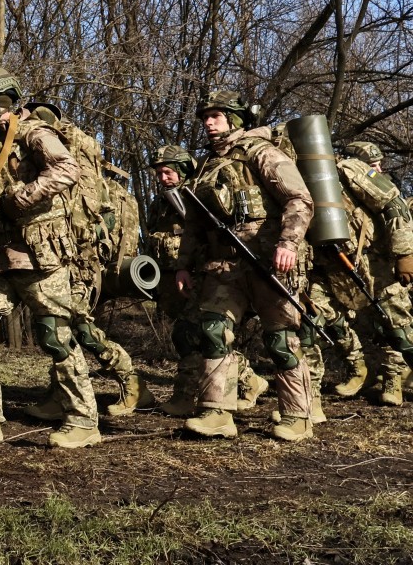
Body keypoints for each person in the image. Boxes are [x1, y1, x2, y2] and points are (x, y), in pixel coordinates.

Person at [0, 67, 101, 449]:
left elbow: (67, 169)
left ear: (3, 103)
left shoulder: (34, 133)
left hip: (39, 254)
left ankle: (84, 421)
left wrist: (22, 198)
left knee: (55, 335)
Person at [175, 90, 315, 441]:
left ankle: (298, 416)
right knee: (213, 329)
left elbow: (299, 199)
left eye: (216, 115)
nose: (208, 122)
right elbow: (193, 225)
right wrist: (181, 265)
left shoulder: (261, 152)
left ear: (235, 119)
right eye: (205, 117)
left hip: (269, 262)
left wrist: (288, 244)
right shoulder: (207, 165)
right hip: (223, 266)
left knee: (280, 338)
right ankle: (216, 412)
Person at [21, 103, 153, 418]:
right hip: (72, 254)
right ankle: (61, 396)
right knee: (61, 325)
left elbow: (92, 219)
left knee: (78, 326)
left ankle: (132, 381)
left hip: (79, 257)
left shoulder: (68, 166)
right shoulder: (86, 167)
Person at [145, 145, 268, 417]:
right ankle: (250, 381)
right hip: (177, 279)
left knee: (190, 333)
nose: (163, 178)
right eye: (158, 173)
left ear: (184, 170)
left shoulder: (200, 195)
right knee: (200, 336)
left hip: (208, 276)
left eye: (168, 172)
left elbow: (208, 235)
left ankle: (186, 396)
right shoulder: (161, 204)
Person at [310, 141, 413, 406]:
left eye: (379, 162)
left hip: (374, 263)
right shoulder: (304, 174)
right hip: (332, 265)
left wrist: (405, 255)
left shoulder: (349, 170)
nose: (377, 168)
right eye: (373, 162)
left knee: (396, 327)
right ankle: (355, 370)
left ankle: (394, 378)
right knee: (317, 314)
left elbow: (395, 205)